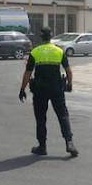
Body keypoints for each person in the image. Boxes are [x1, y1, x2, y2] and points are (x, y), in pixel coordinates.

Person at [19, 27, 78, 157]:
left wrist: (22, 89)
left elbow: (28, 73)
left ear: (41, 37)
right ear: (51, 37)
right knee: (63, 115)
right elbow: (68, 71)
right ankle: (69, 143)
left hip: (40, 90)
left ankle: (42, 146)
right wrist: (69, 84)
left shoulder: (35, 52)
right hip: (56, 88)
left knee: (41, 118)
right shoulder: (59, 51)